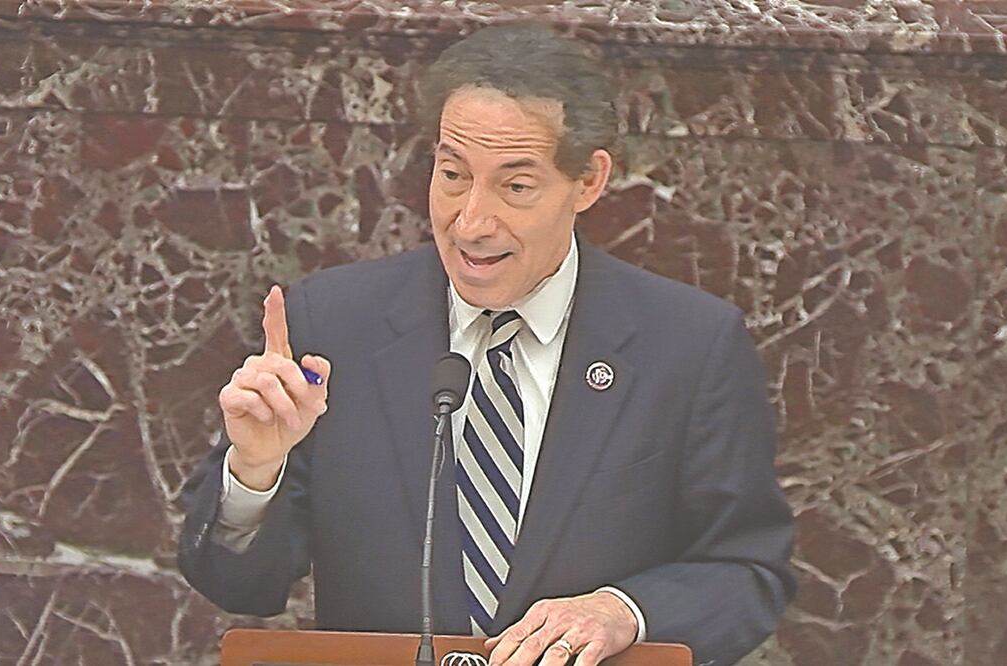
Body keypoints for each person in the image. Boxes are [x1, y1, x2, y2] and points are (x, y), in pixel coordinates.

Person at [179, 24, 795, 666]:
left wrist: (625, 611)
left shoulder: (688, 345)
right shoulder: (333, 326)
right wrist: (255, 471)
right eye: (452, 174)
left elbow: (748, 571)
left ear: (587, 181)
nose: (470, 221)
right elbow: (240, 584)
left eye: (516, 186)